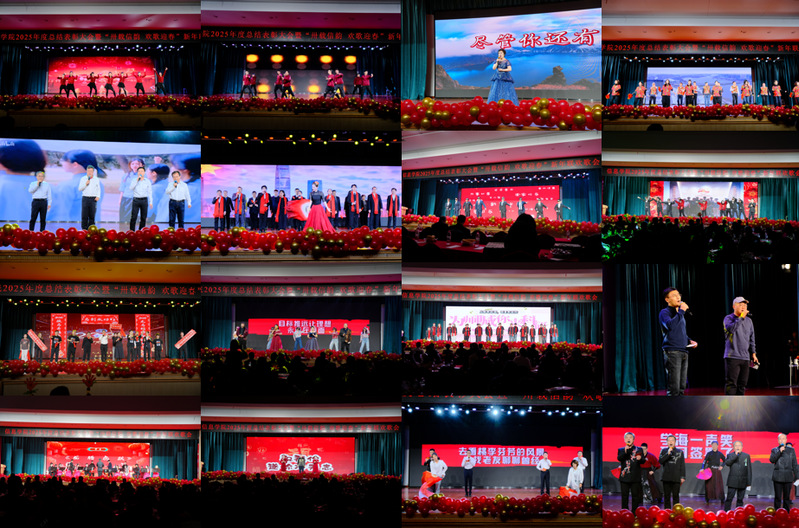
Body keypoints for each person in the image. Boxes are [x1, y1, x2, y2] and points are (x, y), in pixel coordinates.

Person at [660, 287, 697, 396]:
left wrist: (689, 340)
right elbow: (670, 326)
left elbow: (680, 332)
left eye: (678, 295)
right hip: (672, 351)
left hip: (684, 351)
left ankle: (680, 405)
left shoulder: (679, 315)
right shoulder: (664, 312)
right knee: (674, 387)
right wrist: (681, 311)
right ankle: (672, 406)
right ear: (667, 299)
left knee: (682, 386)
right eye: (674, 295)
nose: (678, 297)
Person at [723, 296, 757, 395]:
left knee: (742, 385)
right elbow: (731, 329)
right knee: (731, 384)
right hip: (732, 356)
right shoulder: (728, 318)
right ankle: (730, 405)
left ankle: (740, 404)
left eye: (745, 305)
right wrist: (741, 317)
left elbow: (752, 338)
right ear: (734, 306)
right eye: (741, 305)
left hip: (745, 358)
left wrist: (753, 353)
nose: (743, 307)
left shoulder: (749, 321)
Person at [770, 433, 799, 510]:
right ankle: (777, 512)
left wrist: (797, 477)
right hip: (778, 476)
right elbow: (772, 460)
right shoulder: (774, 450)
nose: (782, 440)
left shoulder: (791, 450)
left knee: (787, 497)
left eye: (783, 438)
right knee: (778, 497)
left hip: (788, 476)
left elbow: (794, 464)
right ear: (778, 440)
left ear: (786, 440)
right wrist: (779, 451)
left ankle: (786, 513)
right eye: (780, 439)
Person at [618, 432, 646, 511]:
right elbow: (619, 458)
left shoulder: (639, 449)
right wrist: (625, 451)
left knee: (635, 496)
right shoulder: (621, 450)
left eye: (630, 437)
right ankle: (624, 511)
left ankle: (634, 512)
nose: (628, 439)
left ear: (633, 439)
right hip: (624, 476)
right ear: (624, 440)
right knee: (624, 496)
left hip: (635, 477)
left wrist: (640, 459)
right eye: (627, 437)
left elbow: (643, 461)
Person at [659, 435, 686, 509]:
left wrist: (683, 476)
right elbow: (660, 461)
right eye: (669, 440)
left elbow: (682, 465)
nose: (671, 442)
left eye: (672, 440)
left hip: (676, 477)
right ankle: (667, 511)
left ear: (675, 442)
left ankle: (676, 511)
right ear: (667, 442)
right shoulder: (664, 451)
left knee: (676, 496)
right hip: (666, 477)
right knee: (666, 496)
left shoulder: (680, 452)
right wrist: (667, 454)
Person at [724, 440, 752, 511]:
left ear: (742, 447)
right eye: (736, 445)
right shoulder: (730, 455)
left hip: (743, 481)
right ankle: (726, 512)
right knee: (729, 498)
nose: (737, 447)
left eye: (739, 445)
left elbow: (748, 469)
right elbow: (727, 463)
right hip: (732, 481)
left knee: (740, 499)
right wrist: (735, 455)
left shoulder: (746, 456)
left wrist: (748, 483)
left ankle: (738, 512)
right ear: (733, 447)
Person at [702, 440, 726, 506]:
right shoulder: (709, 453)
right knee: (708, 485)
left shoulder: (720, 453)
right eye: (713, 445)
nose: (714, 446)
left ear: (717, 446)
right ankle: (707, 499)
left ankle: (722, 499)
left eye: (715, 445)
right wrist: (702, 468)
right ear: (711, 446)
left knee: (719, 485)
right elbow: (704, 461)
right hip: (709, 470)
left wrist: (722, 466)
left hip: (717, 471)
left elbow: (725, 460)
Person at [129, 166, 153, 231]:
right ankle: (132, 230)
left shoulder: (147, 181)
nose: (140, 172)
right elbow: (131, 188)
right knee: (134, 216)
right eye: (139, 171)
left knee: (143, 217)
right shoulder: (134, 180)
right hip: (136, 200)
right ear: (137, 172)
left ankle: (141, 230)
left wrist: (151, 202)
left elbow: (150, 192)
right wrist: (137, 180)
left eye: (142, 171)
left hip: (144, 200)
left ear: (144, 172)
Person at [78, 165, 101, 230]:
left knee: (92, 215)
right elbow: (80, 189)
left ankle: (91, 229)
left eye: (91, 171)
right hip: (85, 198)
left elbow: (98, 189)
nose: (89, 172)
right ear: (86, 171)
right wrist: (85, 184)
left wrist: (98, 196)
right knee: (84, 215)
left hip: (93, 199)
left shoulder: (96, 179)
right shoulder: (83, 179)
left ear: (93, 172)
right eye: (88, 171)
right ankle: (84, 229)